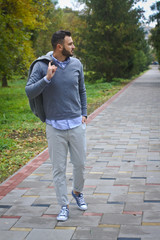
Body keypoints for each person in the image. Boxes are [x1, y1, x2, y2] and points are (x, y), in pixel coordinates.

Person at [25, 30, 87, 221]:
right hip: (54, 127)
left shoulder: (76, 64)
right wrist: (47, 79)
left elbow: (82, 90)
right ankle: (63, 205)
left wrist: (84, 113)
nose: (73, 47)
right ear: (60, 46)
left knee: (80, 164)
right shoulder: (42, 66)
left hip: (76, 124)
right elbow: (29, 91)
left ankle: (77, 192)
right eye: (70, 44)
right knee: (58, 169)